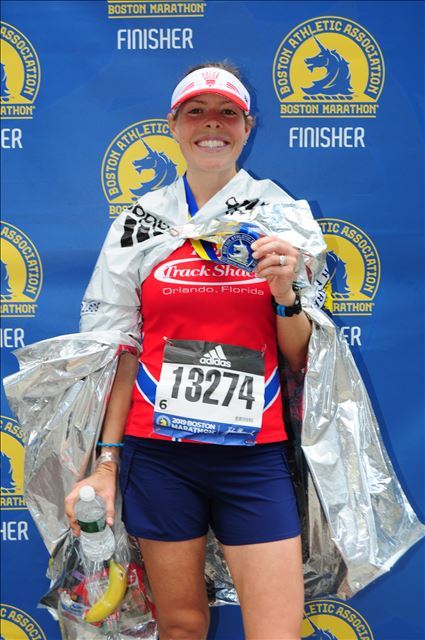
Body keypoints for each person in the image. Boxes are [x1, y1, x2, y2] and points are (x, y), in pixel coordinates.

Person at [65, 61, 317, 640]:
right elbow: (120, 350)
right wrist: (107, 462)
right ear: (173, 125)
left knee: (277, 631)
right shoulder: (139, 223)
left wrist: (286, 296)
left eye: (228, 113)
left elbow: (303, 359)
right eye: (196, 111)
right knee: (180, 625)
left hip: (253, 458)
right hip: (160, 458)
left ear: (247, 126)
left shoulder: (283, 216)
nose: (212, 124)